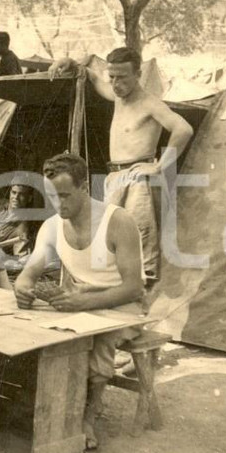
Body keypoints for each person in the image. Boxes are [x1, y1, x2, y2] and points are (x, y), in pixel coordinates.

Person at [13, 152, 144, 453]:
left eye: (65, 196)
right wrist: (23, 286)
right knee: (34, 329)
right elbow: (28, 273)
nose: (58, 205)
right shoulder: (51, 226)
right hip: (79, 302)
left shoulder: (117, 221)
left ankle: (88, 415)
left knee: (98, 337)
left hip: (122, 305)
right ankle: (47, 405)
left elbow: (134, 288)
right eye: (51, 197)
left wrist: (85, 303)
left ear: (85, 187)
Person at [50, 47, 194, 280]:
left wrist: (159, 166)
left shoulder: (150, 103)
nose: (116, 83)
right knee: (110, 239)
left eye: (123, 77)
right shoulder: (117, 96)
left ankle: (141, 299)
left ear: (138, 74)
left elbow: (184, 129)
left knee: (139, 241)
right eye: (113, 77)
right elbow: (93, 75)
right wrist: (70, 61)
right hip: (115, 178)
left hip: (138, 179)